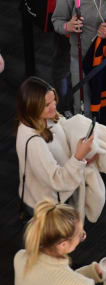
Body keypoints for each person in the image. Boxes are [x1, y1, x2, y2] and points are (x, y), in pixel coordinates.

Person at [15, 77, 94, 215]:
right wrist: (79, 157)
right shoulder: (34, 141)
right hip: (47, 209)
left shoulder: (44, 119)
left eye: (54, 100)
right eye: (46, 104)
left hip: (55, 199)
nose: (54, 106)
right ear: (32, 106)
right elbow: (57, 180)